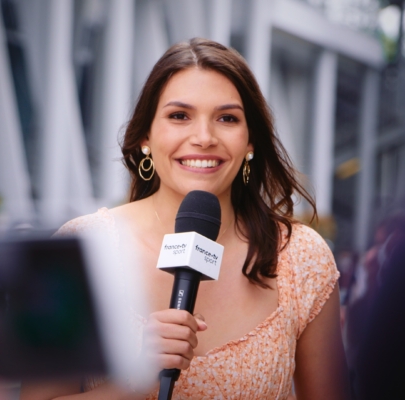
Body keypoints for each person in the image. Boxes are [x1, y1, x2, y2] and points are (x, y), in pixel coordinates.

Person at [20, 38, 349, 400]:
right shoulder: (79, 249)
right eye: (179, 116)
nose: (204, 138)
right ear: (146, 135)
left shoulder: (301, 258)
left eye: (227, 118)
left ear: (250, 141)